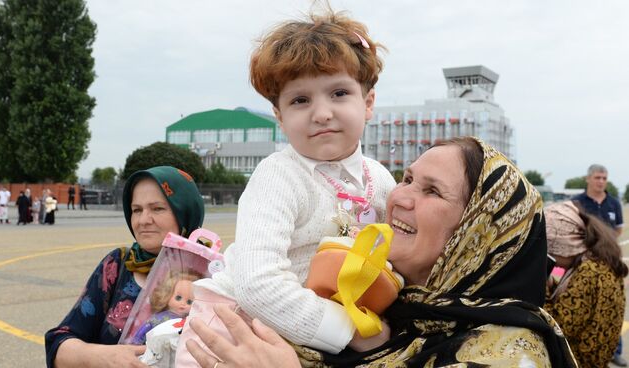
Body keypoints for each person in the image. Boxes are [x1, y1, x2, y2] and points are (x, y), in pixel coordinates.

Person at [185, 137, 578, 367]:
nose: (400, 197)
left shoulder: (508, 350)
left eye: (432, 190)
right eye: (407, 178)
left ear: (478, 235)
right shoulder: (383, 308)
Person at [175, 9, 397, 366]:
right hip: (234, 328)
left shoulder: (381, 179)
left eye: (339, 93)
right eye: (300, 100)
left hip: (310, 334)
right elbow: (256, 282)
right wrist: (352, 331)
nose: (321, 113)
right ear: (279, 116)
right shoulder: (279, 175)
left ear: (368, 102)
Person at [45, 166, 205, 368]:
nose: (143, 220)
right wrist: (100, 356)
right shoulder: (118, 264)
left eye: (157, 208)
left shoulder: (210, 276)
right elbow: (59, 344)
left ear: (185, 212)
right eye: (136, 210)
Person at [543, 200, 627, 367]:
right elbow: (557, 276)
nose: (551, 262)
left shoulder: (590, 272)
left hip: (580, 362)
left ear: (565, 246)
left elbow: (557, 326)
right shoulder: (583, 259)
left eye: (551, 253)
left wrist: (541, 289)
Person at [571, 163, 626, 366]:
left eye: (604, 178)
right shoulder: (577, 202)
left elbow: (618, 230)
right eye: (597, 177)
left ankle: (615, 350)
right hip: (583, 262)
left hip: (610, 261)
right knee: (585, 305)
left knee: (613, 306)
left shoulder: (613, 203)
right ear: (588, 179)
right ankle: (579, 346)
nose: (601, 181)